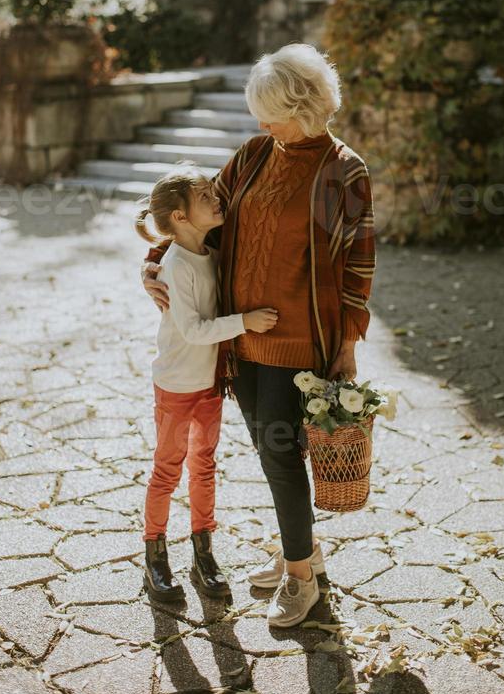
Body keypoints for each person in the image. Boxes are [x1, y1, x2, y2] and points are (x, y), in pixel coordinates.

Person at [142, 43, 375, 627]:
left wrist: (346, 342)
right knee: (275, 452)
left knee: (278, 451)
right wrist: (156, 262)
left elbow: (358, 264)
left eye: (268, 112)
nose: (259, 123)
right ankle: (305, 552)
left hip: (300, 340)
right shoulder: (252, 155)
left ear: (300, 106)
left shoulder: (344, 172)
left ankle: (301, 576)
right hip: (239, 338)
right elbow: (199, 224)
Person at [135, 165, 278, 601]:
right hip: (178, 385)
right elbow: (195, 330)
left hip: (208, 384)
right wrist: (245, 323)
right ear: (179, 217)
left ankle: (204, 553)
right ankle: (155, 556)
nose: (217, 200)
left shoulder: (209, 253)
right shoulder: (177, 265)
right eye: (204, 197)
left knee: (205, 467)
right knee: (167, 470)